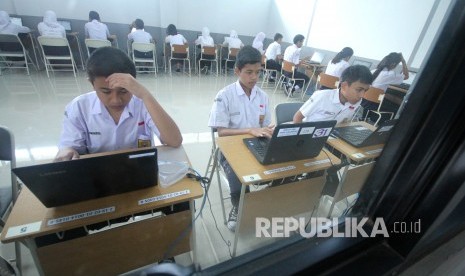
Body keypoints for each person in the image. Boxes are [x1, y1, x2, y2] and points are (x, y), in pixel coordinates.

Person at [54, 47, 182, 161]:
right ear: (92, 84)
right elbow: (69, 147)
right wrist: (68, 151)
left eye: (124, 90)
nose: (116, 100)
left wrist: (144, 94)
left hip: (137, 167)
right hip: (97, 172)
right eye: (106, 91)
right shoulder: (79, 107)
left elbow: (175, 141)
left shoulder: (143, 102)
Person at [208, 46, 274, 232]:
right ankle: (238, 207)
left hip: (256, 144)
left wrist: (269, 129)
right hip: (229, 149)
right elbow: (221, 132)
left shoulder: (263, 96)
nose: (254, 77)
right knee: (239, 180)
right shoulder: (224, 96)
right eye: (249, 72)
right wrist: (250, 130)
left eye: (258, 72)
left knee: (282, 167)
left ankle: (273, 200)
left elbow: (265, 124)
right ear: (237, 71)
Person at [293, 65, 373, 125]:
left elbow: (344, 121)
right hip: (309, 132)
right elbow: (297, 118)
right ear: (344, 86)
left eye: (365, 90)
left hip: (330, 135)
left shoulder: (356, 101)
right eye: (359, 90)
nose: (362, 95)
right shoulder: (322, 96)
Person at [362, 52, 409, 121]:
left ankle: (367, 119)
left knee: (387, 96)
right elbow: (406, 76)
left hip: (364, 101)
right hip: (374, 105)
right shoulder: (389, 74)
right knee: (398, 107)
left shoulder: (373, 71)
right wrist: (403, 62)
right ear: (393, 64)